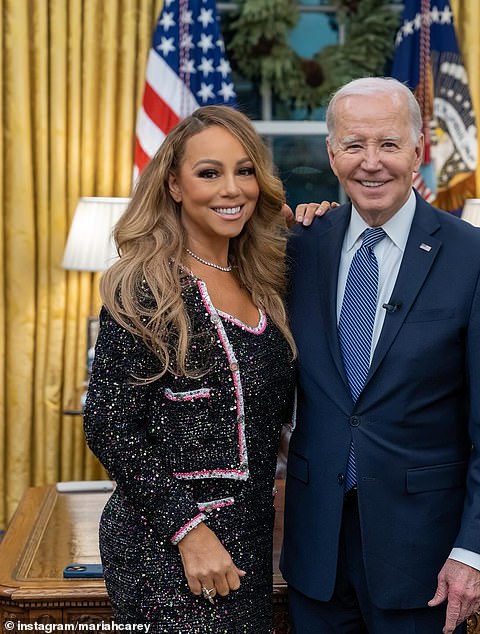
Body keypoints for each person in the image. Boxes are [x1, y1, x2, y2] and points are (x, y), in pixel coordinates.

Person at [281, 76, 480, 634]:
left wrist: (474, 551)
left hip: (426, 558)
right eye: (354, 145)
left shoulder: (477, 259)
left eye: (388, 144)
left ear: (417, 151)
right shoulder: (298, 249)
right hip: (315, 554)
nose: (371, 163)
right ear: (332, 153)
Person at [84, 105, 312, 632]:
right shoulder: (147, 287)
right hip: (166, 544)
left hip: (251, 536)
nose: (232, 189)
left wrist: (310, 222)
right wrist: (190, 532)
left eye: (245, 170)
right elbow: (109, 426)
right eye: (209, 173)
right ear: (174, 186)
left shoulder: (267, 283)